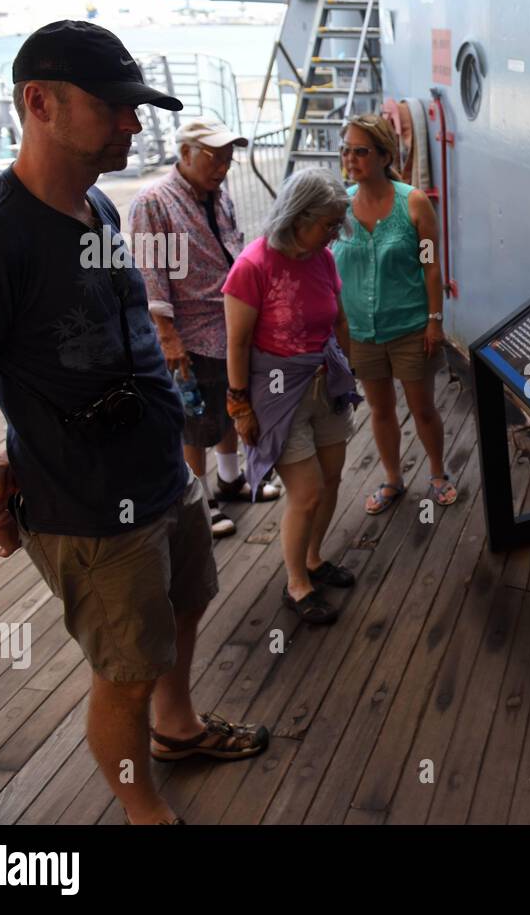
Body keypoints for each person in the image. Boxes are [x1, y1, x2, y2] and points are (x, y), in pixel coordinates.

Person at [0, 21, 269, 826]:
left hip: (157, 472)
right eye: (115, 105)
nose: (132, 123)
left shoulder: (97, 210)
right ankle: (141, 804)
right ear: (38, 102)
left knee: (183, 607)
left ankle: (177, 728)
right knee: (124, 670)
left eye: (135, 107)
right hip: (86, 502)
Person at [128, 117, 282, 538]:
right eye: (214, 158)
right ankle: (201, 501)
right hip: (190, 332)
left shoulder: (219, 194)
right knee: (194, 420)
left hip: (230, 323)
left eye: (229, 159)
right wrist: (167, 337)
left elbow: (233, 244)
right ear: (185, 154)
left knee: (229, 406)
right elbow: (150, 273)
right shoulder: (153, 201)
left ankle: (230, 479)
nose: (223, 167)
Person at [223, 167, 360, 626]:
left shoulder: (322, 257)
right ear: (298, 217)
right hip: (277, 394)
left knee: (334, 477)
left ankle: (316, 558)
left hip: (326, 383)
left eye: (339, 224)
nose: (335, 233)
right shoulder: (253, 266)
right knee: (306, 493)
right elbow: (237, 343)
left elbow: (338, 318)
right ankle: (296, 583)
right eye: (329, 224)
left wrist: (348, 367)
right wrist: (239, 405)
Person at [332, 114, 456, 514]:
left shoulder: (413, 203)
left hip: (410, 328)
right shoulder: (339, 207)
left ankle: (437, 473)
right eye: (346, 149)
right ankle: (392, 479)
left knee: (422, 408)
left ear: (385, 155)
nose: (351, 158)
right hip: (362, 331)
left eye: (361, 151)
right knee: (380, 410)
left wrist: (435, 320)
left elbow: (431, 265)